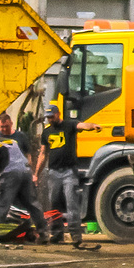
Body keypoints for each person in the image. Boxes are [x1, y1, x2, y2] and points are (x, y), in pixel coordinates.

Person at [35, 104, 84, 248]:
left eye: (52, 116)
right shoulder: (47, 132)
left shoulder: (69, 126)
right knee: (54, 203)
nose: (50, 119)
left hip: (69, 171)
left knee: (71, 202)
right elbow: (43, 154)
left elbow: (82, 125)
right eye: (48, 117)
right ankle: (57, 234)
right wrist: (36, 174)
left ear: (58, 114)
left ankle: (75, 235)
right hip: (53, 172)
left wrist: (92, 126)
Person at [0, 128, 39, 237]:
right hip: (25, 174)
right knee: (25, 203)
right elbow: (28, 159)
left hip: (10, 176)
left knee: (0, 203)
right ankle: (36, 227)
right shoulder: (12, 142)